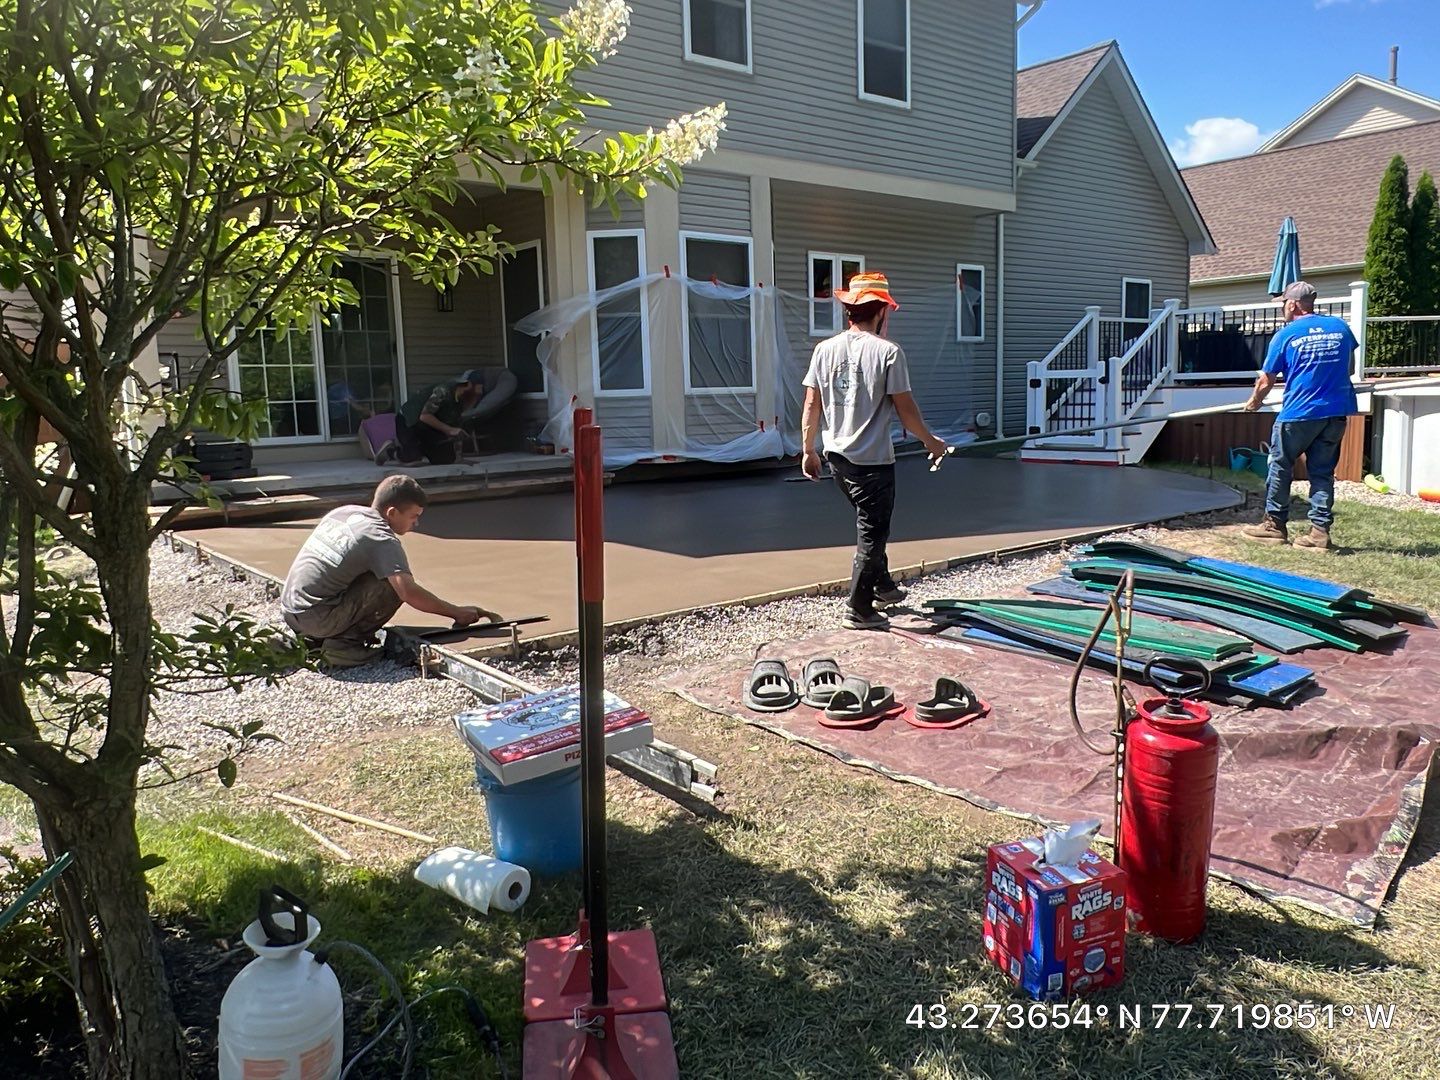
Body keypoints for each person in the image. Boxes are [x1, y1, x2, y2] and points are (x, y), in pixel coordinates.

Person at [801, 272, 948, 630]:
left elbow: (811, 404)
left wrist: (808, 449)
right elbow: (906, 409)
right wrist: (933, 443)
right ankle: (859, 608)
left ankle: (882, 586)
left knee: (871, 524)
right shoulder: (888, 353)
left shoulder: (824, 350)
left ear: (850, 310)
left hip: (837, 458)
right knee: (872, 532)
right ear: (882, 311)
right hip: (872, 463)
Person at [281, 475, 500, 667]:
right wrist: (457, 612)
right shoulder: (380, 538)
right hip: (317, 619)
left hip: (292, 610)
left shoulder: (344, 512)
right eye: (413, 517)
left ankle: (314, 639)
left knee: (379, 571)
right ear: (393, 513)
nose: (416, 523)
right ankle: (343, 647)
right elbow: (409, 593)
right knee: (392, 585)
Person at [1241, 280, 1359, 551]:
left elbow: (1265, 381)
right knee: (1322, 472)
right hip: (1336, 411)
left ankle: (1274, 525)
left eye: (1284, 303)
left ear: (1292, 304)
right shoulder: (1341, 328)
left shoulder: (1286, 334)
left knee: (1280, 465)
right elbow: (1349, 369)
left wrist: (1254, 403)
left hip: (1299, 413)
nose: (1283, 307)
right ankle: (1319, 534)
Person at [377, 368, 519, 466]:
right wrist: (449, 430)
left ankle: (418, 449)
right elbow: (425, 416)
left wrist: (458, 456)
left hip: (429, 428)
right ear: (468, 385)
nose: (478, 397)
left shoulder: (462, 403)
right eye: (477, 393)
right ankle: (390, 451)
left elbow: (456, 428)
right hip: (409, 421)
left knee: (446, 459)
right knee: (412, 459)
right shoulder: (444, 391)